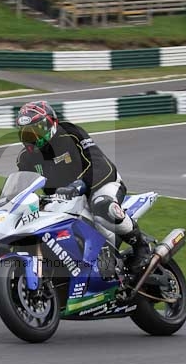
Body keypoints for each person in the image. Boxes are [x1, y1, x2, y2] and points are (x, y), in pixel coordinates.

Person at [14, 100, 153, 278]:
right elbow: (23, 188)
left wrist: (81, 184)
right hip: (64, 200)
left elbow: (100, 164)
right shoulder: (25, 159)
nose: (32, 137)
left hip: (100, 185)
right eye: (26, 134)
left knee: (101, 205)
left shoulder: (71, 134)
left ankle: (141, 245)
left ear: (52, 124)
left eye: (37, 130)